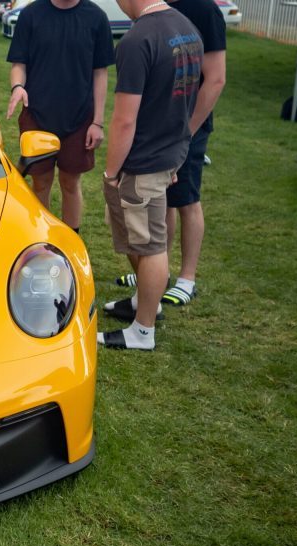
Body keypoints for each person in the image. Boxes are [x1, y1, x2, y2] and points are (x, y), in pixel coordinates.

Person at [98, 0, 202, 351]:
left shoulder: (136, 40)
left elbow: (124, 119)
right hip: (169, 154)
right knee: (140, 238)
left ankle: (143, 329)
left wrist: (112, 172)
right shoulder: (186, 28)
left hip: (142, 161)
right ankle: (146, 301)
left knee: (149, 245)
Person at [113, 0, 225, 309]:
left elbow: (215, 78)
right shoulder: (156, 13)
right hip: (160, 128)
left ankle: (186, 278)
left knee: (186, 200)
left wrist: (185, 130)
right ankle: (155, 274)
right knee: (158, 203)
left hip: (187, 125)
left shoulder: (203, 10)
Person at [6, 0, 113, 234]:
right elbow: (18, 64)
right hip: (37, 114)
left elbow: (100, 73)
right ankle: (39, 237)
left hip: (80, 118)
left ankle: (70, 240)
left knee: (70, 183)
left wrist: (98, 121)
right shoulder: (32, 15)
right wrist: (17, 87)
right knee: (40, 182)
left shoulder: (96, 17)